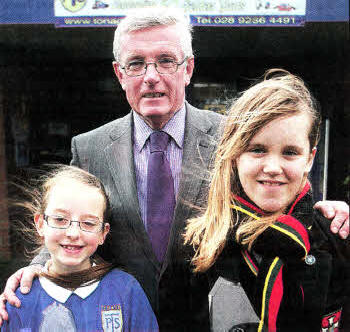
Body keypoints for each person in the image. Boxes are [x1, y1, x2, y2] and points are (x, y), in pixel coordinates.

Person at [0, 8, 349, 331]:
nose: (151, 77)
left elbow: (273, 191)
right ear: (120, 74)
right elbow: (69, 215)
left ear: (188, 69)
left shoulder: (233, 138)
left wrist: (328, 213)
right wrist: (39, 268)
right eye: (136, 64)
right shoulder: (89, 148)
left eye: (166, 61)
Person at [184, 69, 349, 331]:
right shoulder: (196, 248)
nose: (273, 167)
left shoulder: (337, 239)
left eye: (290, 152)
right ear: (235, 154)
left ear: (310, 158)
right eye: (257, 149)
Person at [1, 165, 158, 331]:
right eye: (60, 219)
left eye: (88, 223)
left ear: (103, 233)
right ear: (40, 224)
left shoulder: (126, 291)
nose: (73, 233)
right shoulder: (18, 300)